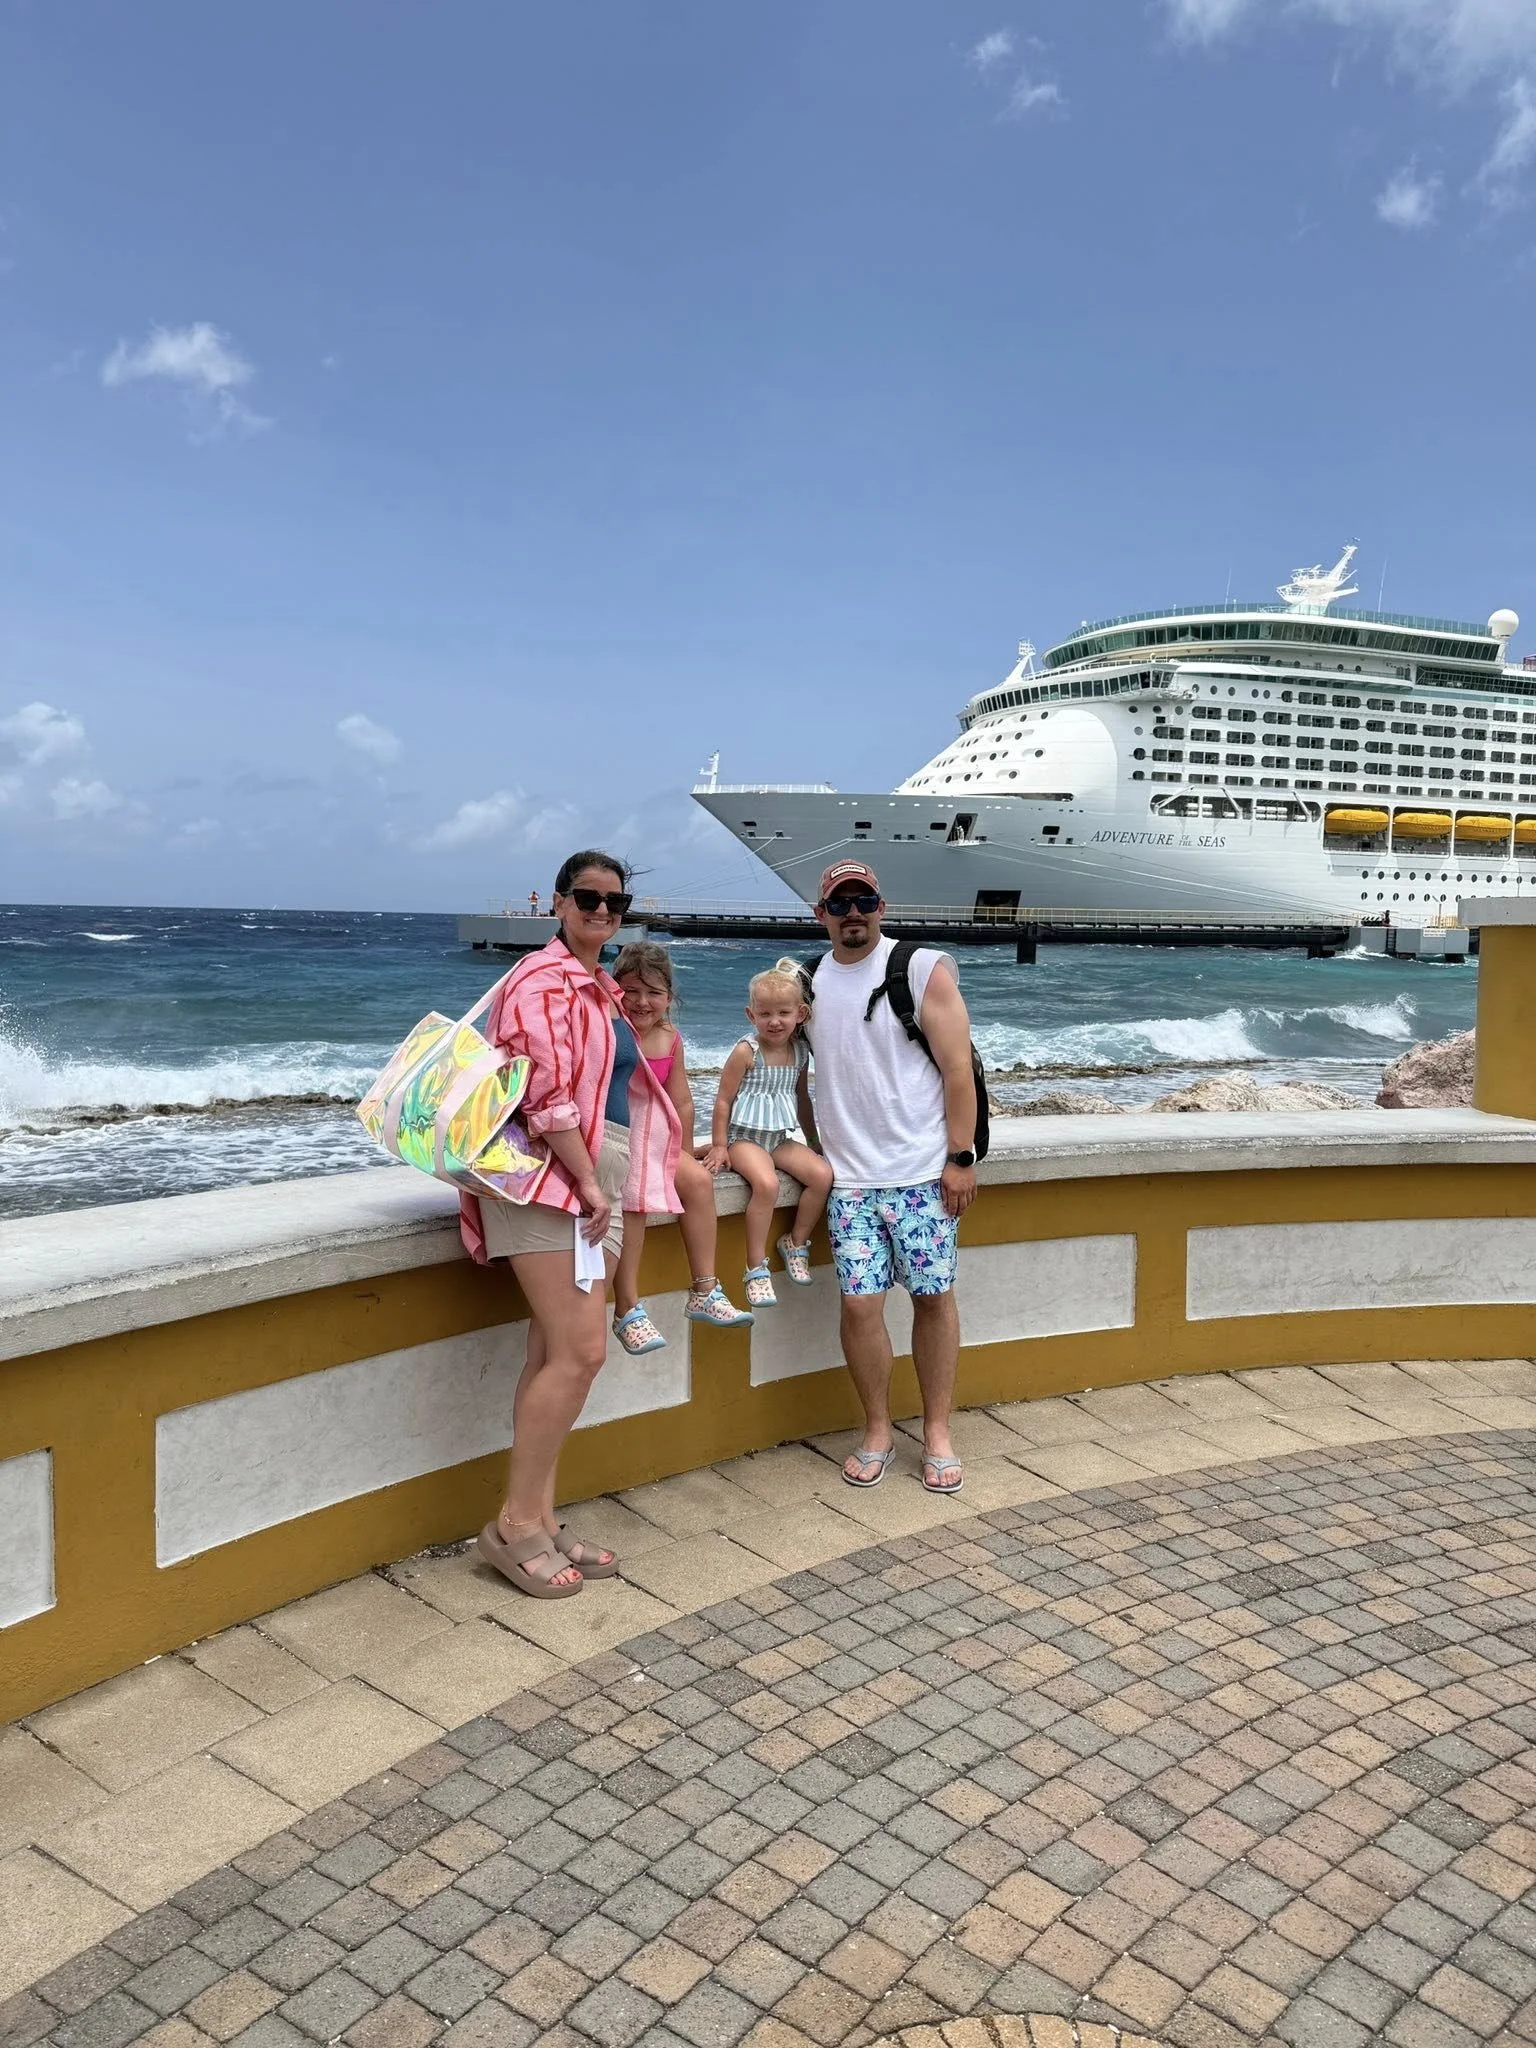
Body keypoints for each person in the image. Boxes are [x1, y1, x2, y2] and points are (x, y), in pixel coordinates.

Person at [458, 850, 683, 1597]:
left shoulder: (600, 986)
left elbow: (621, 1087)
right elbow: (545, 1093)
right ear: (558, 903)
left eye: (615, 903)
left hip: (592, 1175)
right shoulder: (540, 980)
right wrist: (587, 1179)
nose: (601, 911)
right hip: (549, 1182)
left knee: (554, 1352)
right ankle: (514, 1528)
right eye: (587, 898)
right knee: (583, 1352)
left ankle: (542, 1518)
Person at [801, 859, 978, 1493]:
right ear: (820, 913)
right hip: (848, 1181)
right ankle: (877, 1430)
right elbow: (778, 1060)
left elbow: (958, 1069)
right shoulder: (806, 984)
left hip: (922, 1174)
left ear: (882, 904)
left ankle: (936, 1432)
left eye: (864, 900)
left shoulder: (920, 968)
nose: (854, 913)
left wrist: (960, 1159)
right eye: (840, 903)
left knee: (933, 1300)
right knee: (859, 1305)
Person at [609, 942, 754, 1351]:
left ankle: (705, 1289)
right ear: (612, 988)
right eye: (631, 990)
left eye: (653, 992)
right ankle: (626, 1308)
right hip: (621, 1142)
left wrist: (683, 1149)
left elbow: (682, 1100)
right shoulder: (610, 1031)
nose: (641, 1002)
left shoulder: (670, 1038)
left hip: (657, 1140)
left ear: (669, 998)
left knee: (698, 1182)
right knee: (634, 1205)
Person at [704, 961, 833, 1309]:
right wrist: (718, 1146)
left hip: (778, 1137)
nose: (774, 1021)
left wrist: (814, 1140)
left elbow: (803, 1099)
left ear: (801, 1014)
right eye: (764, 1014)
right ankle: (755, 1268)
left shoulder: (800, 1053)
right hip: (743, 1138)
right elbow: (722, 1101)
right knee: (767, 1186)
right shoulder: (747, 1051)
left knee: (822, 1176)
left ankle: (795, 1241)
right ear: (751, 1015)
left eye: (783, 1013)